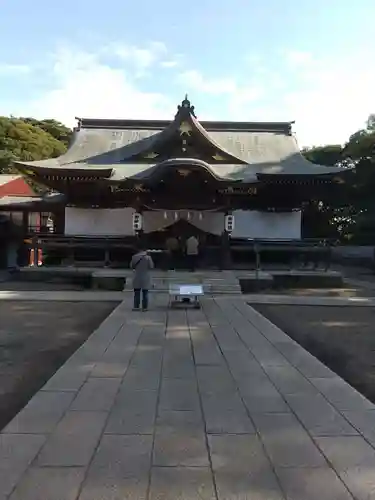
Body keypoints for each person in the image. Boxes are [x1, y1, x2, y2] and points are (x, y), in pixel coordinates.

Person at [130, 243, 154, 311]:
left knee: (137, 293)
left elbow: (131, 266)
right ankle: (145, 307)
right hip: (145, 276)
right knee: (145, 293)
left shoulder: (134, 257)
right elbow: (151, 266)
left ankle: (136, 306)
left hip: (137, 276)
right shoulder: (148, 257)